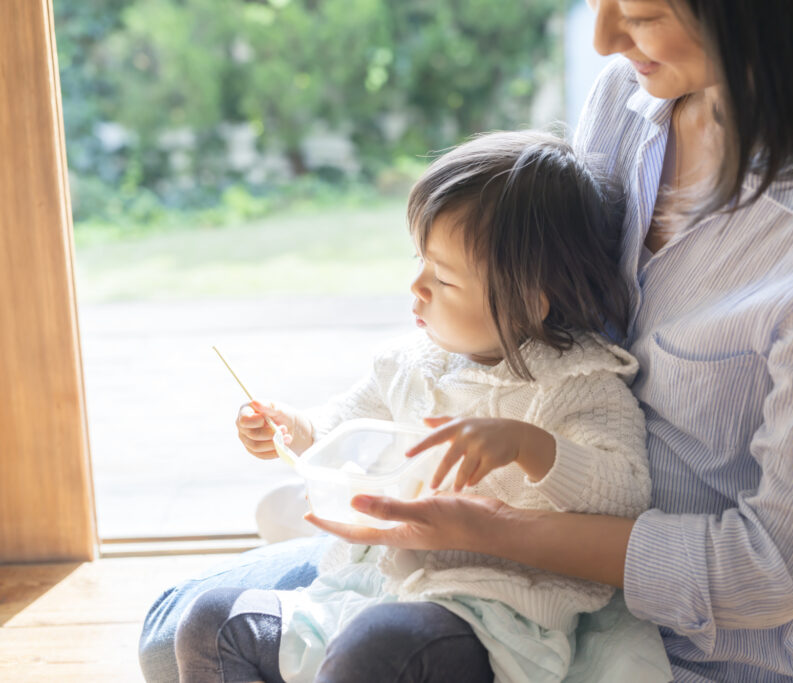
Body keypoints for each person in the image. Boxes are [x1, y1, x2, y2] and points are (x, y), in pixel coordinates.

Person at [141, 1, 793, 681]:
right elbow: (533, 302)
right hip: (480, 547)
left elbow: (773, 568)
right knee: (174, 632)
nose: (607, 36)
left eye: (641, 13)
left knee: (365, 658)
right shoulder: (629, 100)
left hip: (697, 639)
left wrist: (486, 528)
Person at [171, 130, 673, 683]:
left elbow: (626, 494)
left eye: (443, 277)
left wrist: (530, 447)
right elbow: (343, 425)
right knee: (209, 623)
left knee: (379, 646)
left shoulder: (579, 381)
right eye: (419, 261)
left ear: (528, 301)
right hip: (363, 590)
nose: (415, 286)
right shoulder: (414, 363)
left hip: (484, 617)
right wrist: (294, 428)